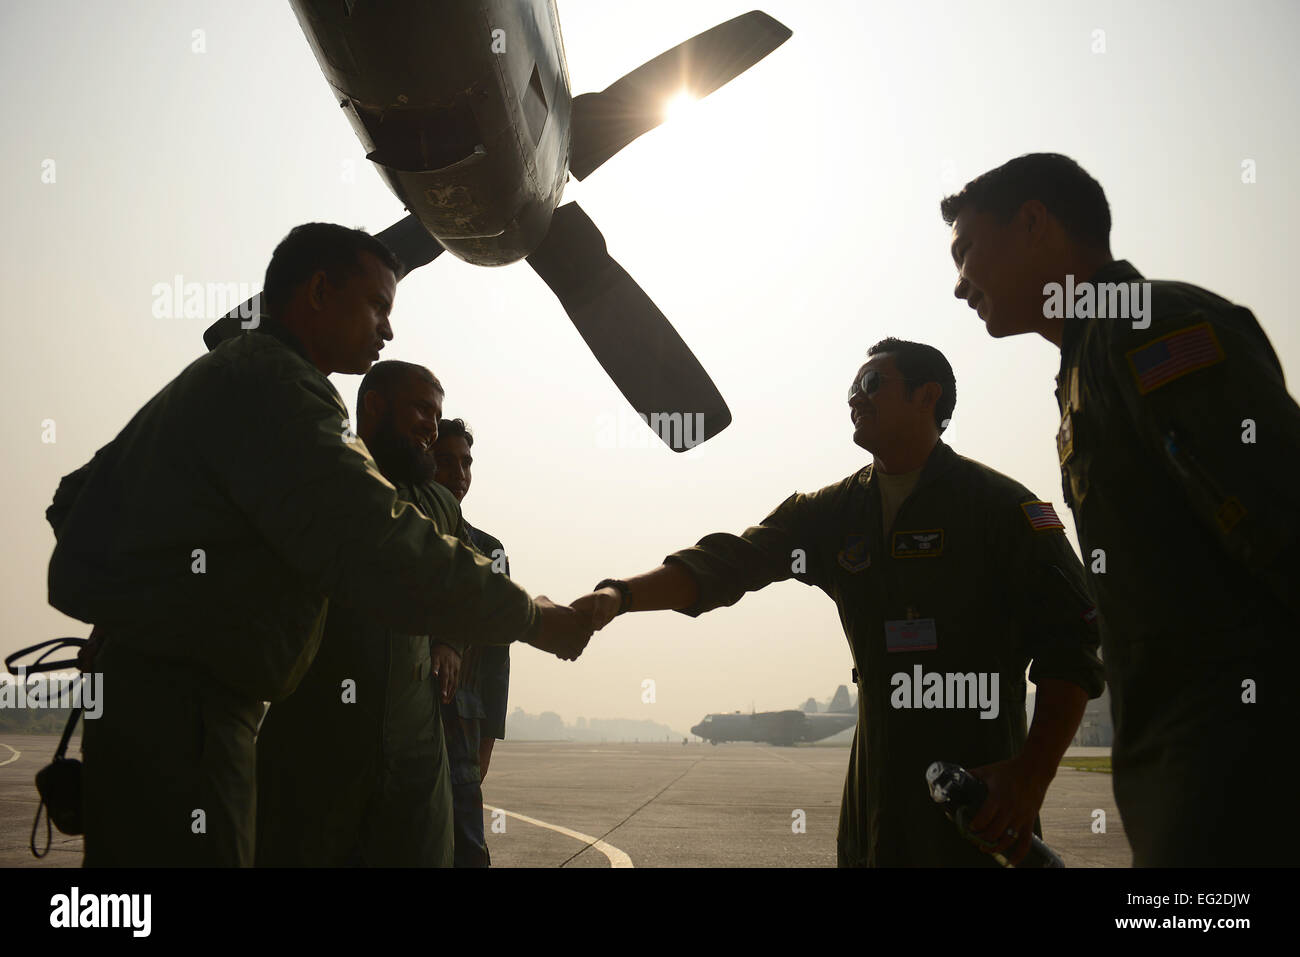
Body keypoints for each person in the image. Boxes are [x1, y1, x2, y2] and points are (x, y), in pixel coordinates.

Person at [45, 223, 592, 867]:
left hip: (169, 703)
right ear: (319, 290)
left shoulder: (232, 374)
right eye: (378, 306)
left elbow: (78, 499)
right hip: (185, 713)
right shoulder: (278, 388)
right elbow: (379, 541)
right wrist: (532, 617)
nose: (387, 329)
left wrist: (138, 604)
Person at [572, 338, 1105, 866]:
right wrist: (621, 595)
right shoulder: (834, 513)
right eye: (852, 387)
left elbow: (1074, 640)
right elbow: (731, 561)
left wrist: (1030, 777)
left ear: (927, 397)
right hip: (874, 804)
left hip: (974, 796)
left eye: (872, 384)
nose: (856, 398)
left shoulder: (1001, 507)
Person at [941, 152, 1300, 865]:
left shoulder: (1149, 328)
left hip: (1242, 778)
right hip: (1186, 779)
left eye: (966, 250)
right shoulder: (1088, 362)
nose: (959, 285)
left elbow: (1279, 520)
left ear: (1034, 224)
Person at [255, 361, 479, 867]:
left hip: (415, 749)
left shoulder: (440, 504)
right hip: (314, 740)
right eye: (422, 408)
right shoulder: (322, 478)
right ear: (373, 406)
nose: (432, 425)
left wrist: (449, 641)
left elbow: (470, 584)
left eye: (437, 414)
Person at [432, 417, 512, 868]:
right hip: (410, 714)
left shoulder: (489, 550)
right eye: (445, 462)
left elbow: (498, 656)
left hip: (464, 724)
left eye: (466, 463)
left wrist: (489, 740)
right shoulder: (396, 535)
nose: (458, 475)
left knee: (468, 847)